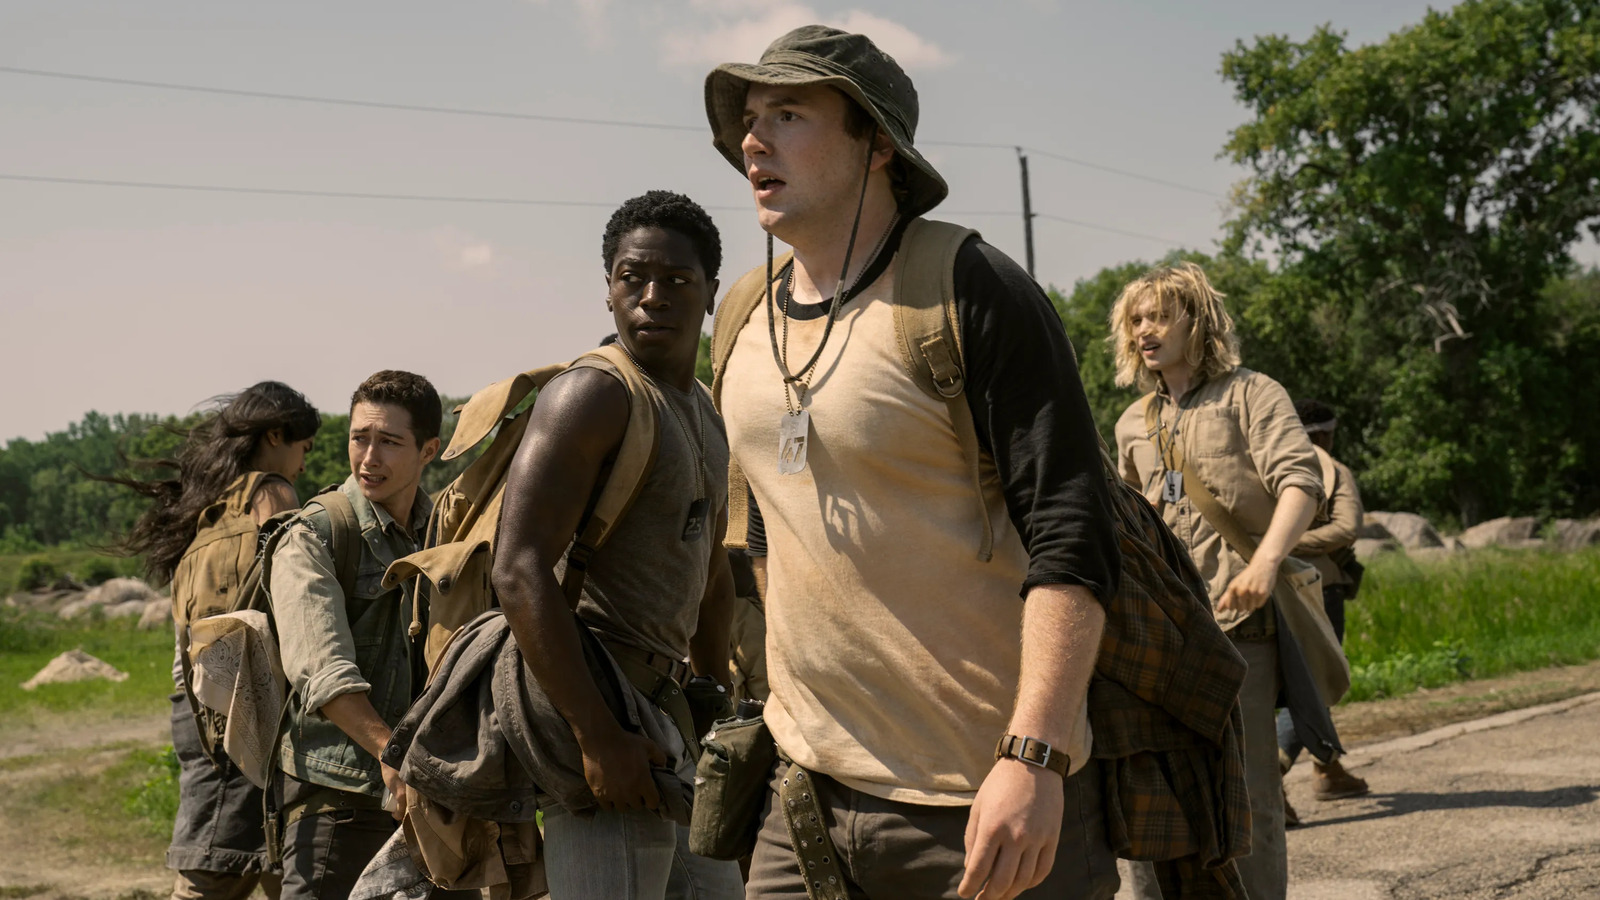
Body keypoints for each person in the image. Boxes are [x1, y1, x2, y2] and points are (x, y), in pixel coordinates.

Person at [704, 26, 1123, 900]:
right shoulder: (742, 313)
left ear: (878, 145)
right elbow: (759, 527)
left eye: (789, 114)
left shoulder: (968, 288)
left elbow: (1073, 534)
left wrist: (1034, 757)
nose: (753, 141)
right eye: (749, 118)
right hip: (805, 791)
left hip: (980, 797)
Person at [491, 190, 743, 899]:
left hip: (672, 723)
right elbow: (518, 569)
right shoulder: (593, 395)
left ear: (710, 291)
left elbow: (710, 567)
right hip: (603, 709)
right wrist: (597, 736)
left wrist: (716, 696)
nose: (652, 297)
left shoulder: (704, 408)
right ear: (608, 289)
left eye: (677, 280)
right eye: (634, 278)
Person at [1112, 263, 1324, 900]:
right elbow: (1125, 524)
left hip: (1239, 624)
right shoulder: (1132, 423)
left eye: (1160, 316)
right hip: (1158, 634)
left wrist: (1264, 564)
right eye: (1137, 319)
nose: (1145, 330)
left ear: (1197, 322)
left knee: (1249, 789)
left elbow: (1301, 482)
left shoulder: (1251, 394)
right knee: (1148, 789)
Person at [109, 380, 319, 900]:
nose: (304, 463)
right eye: (305, 447)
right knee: (214, 876)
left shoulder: (208, 508)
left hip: (199, 709)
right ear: (276, 435)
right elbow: (294, 589)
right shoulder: (271, 492)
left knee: (281, 865)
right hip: (242, 711)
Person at [269, 370, 474, 900]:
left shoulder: (445, 536)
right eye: (359, 438)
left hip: (434, 801)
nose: (369, 458)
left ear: (429, 450)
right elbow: (323, 670)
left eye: (389, 442)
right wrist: (393, 754)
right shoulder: (314, 534)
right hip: (340, 800)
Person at [1277, 398, 1370, 825]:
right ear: (1327, 434)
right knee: (1316, 681)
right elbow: (1347, 527)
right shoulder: (1333, 469)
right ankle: (1271, 772)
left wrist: (1271, 547)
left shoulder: (1264, 460)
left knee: (1301, 679)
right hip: (1318, 589)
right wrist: (1287, 541)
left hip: (1268, 584)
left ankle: (1328, 769)